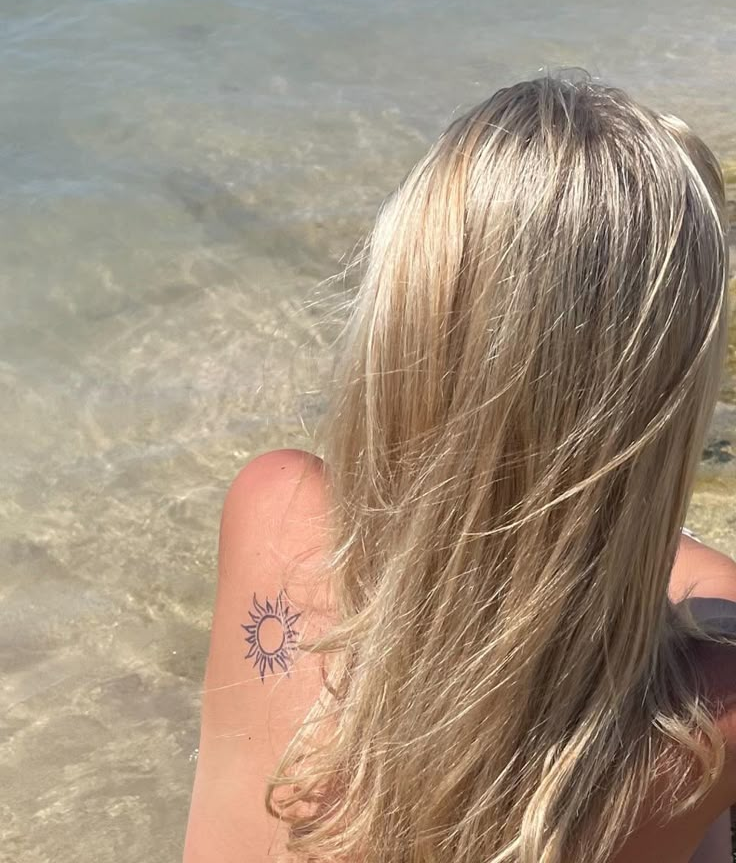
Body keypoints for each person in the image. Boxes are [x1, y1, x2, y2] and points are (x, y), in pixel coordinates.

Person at [183, 76, 736, 863]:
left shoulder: (269, 503)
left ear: (402, 312)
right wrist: (620, 521)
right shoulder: (716, 705)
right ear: (669, 403)